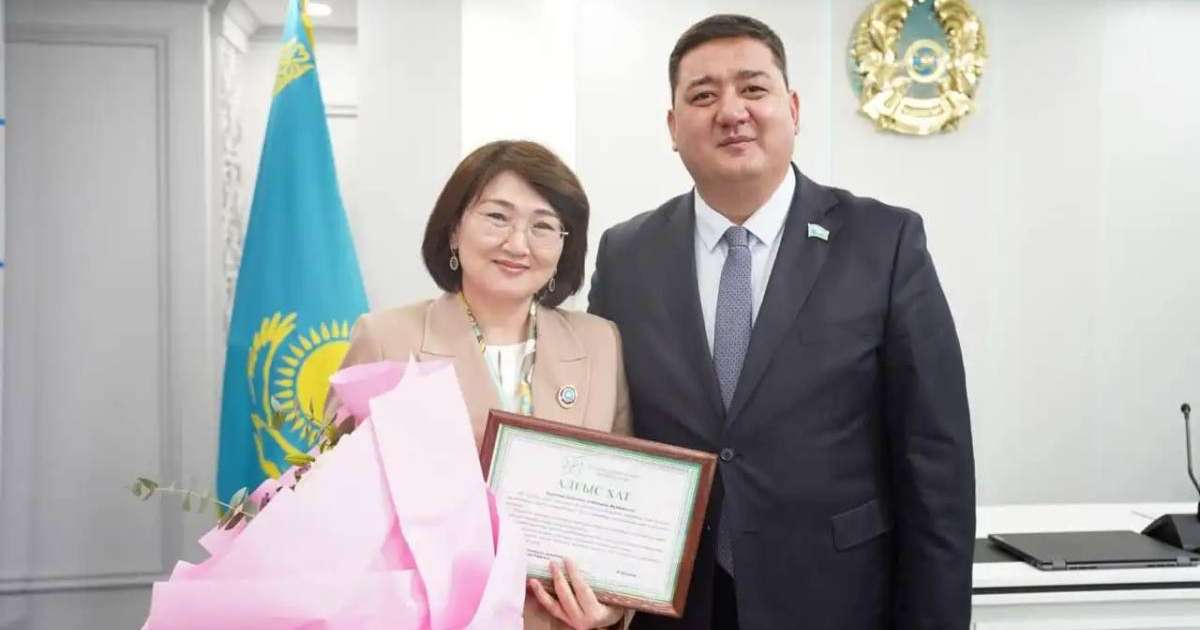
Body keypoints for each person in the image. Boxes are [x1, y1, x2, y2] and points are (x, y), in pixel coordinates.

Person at [588, 14, 975, 630]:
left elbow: (936, 460)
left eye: (753, 88)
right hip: (674, 604)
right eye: (703, 95)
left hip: (838, 599)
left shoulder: (883, 242)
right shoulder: (625, 254)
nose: (731, 110)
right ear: (672, 126)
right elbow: (606, 431)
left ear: (792, 108)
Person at [337, 140, 629, 630]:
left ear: (565, 245)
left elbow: (620, 503)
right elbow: (336, 510)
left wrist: (611, 607)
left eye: (543, 225)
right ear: (454, 229)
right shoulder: (386, 339)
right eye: (497, 217)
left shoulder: (601, 343)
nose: (519, 244)